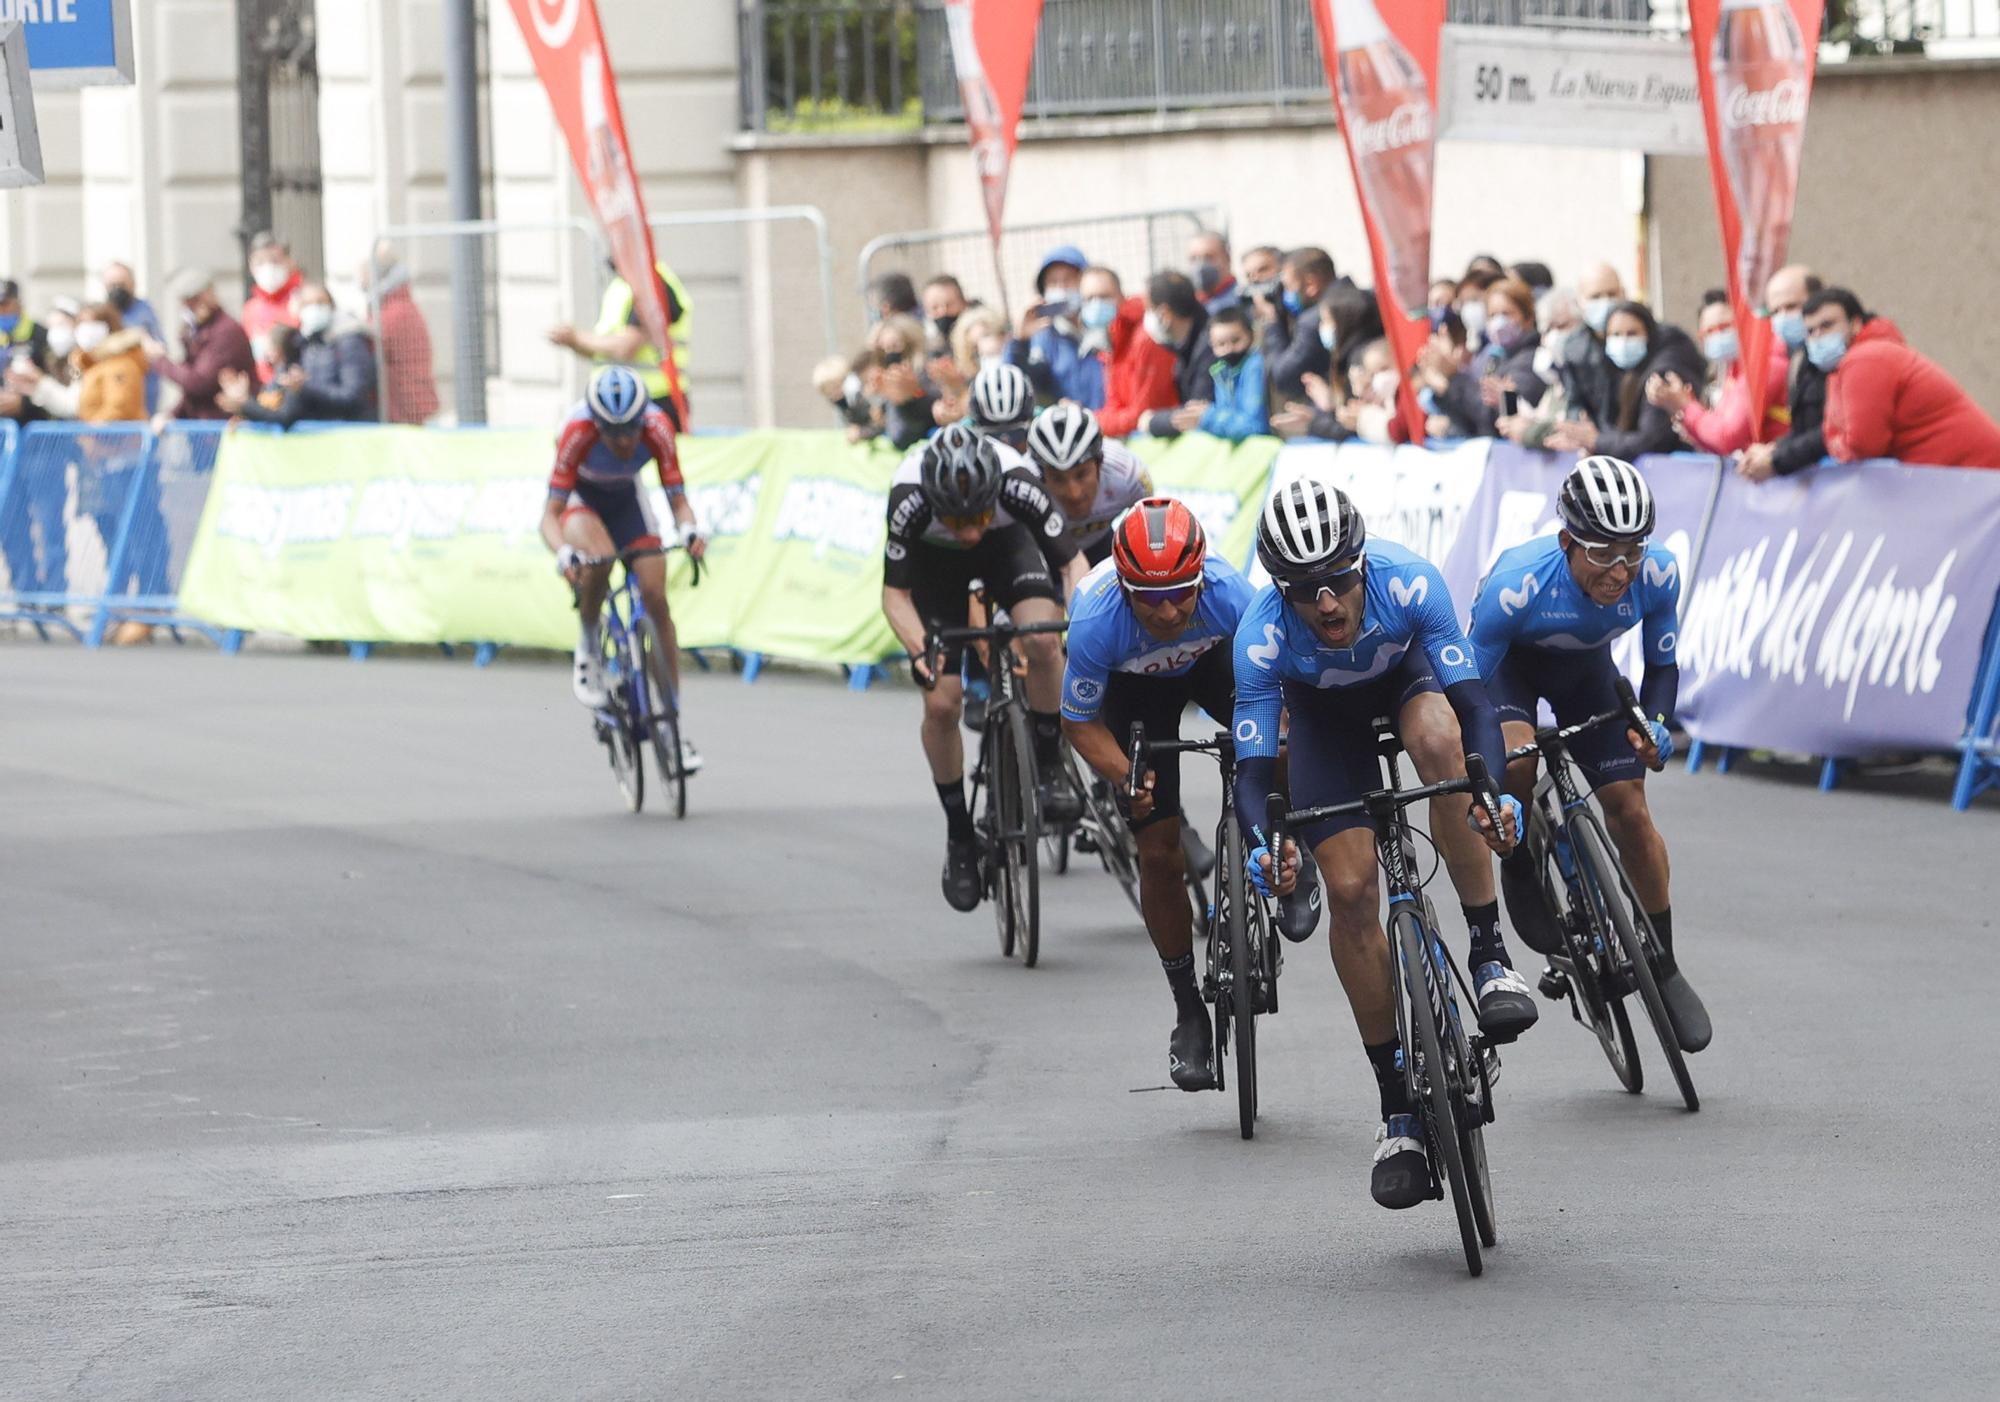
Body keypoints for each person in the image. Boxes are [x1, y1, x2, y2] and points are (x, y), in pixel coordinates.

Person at [1231, 479, 1531, 1210]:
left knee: (1440, 743)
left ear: (1361, 564)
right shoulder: (1261, 637)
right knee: (1353, 889)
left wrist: (1486, 790)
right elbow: (1252, 770)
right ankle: (1396, 1104)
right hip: (1321, 719)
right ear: (1280, 589)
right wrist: (1263, 844)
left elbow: (1474, 705)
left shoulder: (1411, 584)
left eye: (1338, 580)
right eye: (1305, 590)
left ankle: (1489, 953)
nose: (1327, 603)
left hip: (1407, 682)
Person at [1471, 456, 1711, 1053]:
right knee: (1519, 765)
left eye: (1631, 550)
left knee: (1629, 807)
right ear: (1566, 542)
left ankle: (1663, 959)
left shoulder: (1658, 576)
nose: (1620, 569)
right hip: (1511, 675)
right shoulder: (1514, 586)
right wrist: (1491, 776)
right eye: (1602, 552)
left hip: (1588, 673)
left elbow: (1662, 666)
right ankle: (1522, 862)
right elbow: (1471, 693)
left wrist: (1654, 725)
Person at [1061, 499, 1258, 1088]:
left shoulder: (1231, 596)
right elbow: (1079, 721)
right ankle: (1188, 1008)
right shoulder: (1096, 620)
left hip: (1211, 665)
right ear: (1123, 588)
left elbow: (1280, 685)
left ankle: (1283, 845)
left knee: (1283, 746)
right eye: (1148, 597)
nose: (1168, 610)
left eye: (1180, 592)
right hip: (1133, 692)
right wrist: (1126, 777)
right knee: (1157, 850)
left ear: (1201, 577)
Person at [879, 424, 1088, 910]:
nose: (971, 530)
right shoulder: (909, 496)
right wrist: (919, 652)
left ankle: (1048, 759)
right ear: (935, 501)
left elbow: (1071, 564)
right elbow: (896, 595)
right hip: (936, 566)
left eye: (978, 516)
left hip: (1008, 547)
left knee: (1041, 640)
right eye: (958, 520)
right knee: (942, 701)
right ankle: (959, 834)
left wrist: (1077, 622)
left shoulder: (1018, 482)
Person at [541, 366, 708, 768]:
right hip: (583, 500)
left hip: (626, 500)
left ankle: (671, 727)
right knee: (598, 558)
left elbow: (677, 498)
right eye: (612, 432)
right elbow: (550, 515)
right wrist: (564, 552)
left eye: (631, 429)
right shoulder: (577, 430)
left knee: (655, 595)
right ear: (596, 424)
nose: (624, 440)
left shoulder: (657, 426)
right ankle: (588, 642)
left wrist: (689, 529)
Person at [1807, 287, 2000, 469]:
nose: (1818, 336)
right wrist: (1838, 443)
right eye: (1810, 331)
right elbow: (1832, 433)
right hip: (1956, 479)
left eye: (1827, 325)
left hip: (1977, 478)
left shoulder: (1866, 358)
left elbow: (1864, 445)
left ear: (1856, 324)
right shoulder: (1842, 367)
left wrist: (1837, 445)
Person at [1546, 301, 1703, 461]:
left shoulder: (1660, 375)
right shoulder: (1618, 369)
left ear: (1649, 335)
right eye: (1615, 335)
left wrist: (1597, 441)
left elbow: (1651, 441)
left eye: (1632, 334)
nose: (1623, 342)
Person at [549, 259, 694, 427]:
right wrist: (574, 342)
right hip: (614, 400)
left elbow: (624, 348)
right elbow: (601, 351)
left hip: (653, 402)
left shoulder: (652, 282)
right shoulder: (621, 284)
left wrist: (576, 338)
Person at [1648, 291, 1789, 455]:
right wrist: (1687, 420)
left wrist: (1685, 405)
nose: (1718, 335)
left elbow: (1726, 438)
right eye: (1709, 332)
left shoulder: (1767, 364)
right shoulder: (1731, 371)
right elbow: (1719, 440)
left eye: (1725, 327)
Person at [1023, 403, 1153, 564]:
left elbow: (1150, 536)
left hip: (1100, 546)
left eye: (1081, 474)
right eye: (1058, 479)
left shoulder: (1128, 474)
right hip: (1044, 553)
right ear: (1041, 475)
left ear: (1099, 464)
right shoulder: (1025, 484)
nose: (1074, 493)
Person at [1737, 264, 1827, 482]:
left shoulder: (1840, 355)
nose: (1783, 317)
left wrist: (1777, 460)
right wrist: (1773, 450)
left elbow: (1837, 431)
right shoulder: (1799, 359)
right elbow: (1806, 429)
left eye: (1791, 307)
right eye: (1775, 311)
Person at [1437, 276, 1544, 438]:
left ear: (1528, 318)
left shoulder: (1532, 360)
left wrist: (1452, 379)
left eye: (1506, 314)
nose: (1498, 322)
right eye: (1492, 315)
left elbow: (1490, 415)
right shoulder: (1495, 358)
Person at [152, 269, 257, 425]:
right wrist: (172, 415)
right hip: (205, 428)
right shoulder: (197, 332)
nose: (187, 307)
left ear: (209, 294)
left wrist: (160, 360)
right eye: (185, 301)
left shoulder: (226, 332)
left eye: (193, 300)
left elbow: (199, 382)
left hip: (224, 427)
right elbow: (193, 390)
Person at [1085, 266, 1179, 436]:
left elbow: (1144, 413)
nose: (1096, 304)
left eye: (1104, 296)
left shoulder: (1145, 337)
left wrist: (1089, 422)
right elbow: (1115, 405)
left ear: (1121, 296)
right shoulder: (1113, 341)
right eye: (1089, 298)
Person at [361, 241, 439, 425]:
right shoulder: (399, 307)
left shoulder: (393, 313)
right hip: (408, 402)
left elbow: (370, 346)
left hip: (404, 406)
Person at [1007, 245, 1091, 405]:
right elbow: (1013, 383)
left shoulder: (1104, 329)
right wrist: (1019, 342)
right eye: (1053, 282)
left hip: (1109, 422)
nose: (1061, 287)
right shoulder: (1041, 336)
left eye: (1068, 279)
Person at [1145, 272, 1214, 440]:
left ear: (1165, 313)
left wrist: (1153, 422)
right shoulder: (1182, 345)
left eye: (1149, 309)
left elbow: (1195, 413)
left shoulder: (1209, 346)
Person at [1268, 247, 1340, 399]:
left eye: (1288, 287)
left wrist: (1273, 321)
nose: (1285, 295)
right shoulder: (1356, 297)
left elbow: (1283, 376)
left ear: (1310, 284)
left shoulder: (1312, 320)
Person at [861, 313, 937, 450]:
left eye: (895, 346)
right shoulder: (883, 380)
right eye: (884, 349)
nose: (890, 353)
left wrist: (910, 396)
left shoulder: (930, 371)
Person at [1195, 305, 1268, 442]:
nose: (1229, 349)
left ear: (1251, 335)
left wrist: (1207, 416)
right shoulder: (1221, 371)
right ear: (1212, 345)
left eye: (1236, 341)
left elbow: (1255, 425)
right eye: (1221, 344)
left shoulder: (1255, 366)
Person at [99, 261, 164, 414]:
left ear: (133, 285)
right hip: (108, 398)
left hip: (141, 397)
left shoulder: (144, 314)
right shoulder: (102, 313)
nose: (117, 289)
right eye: (112, 285)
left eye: (121, 284)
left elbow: (157, 350)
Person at [242, 232, 303, 382]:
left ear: (289, 261)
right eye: (260, 262)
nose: (268, 268)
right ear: (251, 266)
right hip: (263, 393)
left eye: (275, 261)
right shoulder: (250, 309)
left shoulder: (303, 300)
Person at [1187, 230, 1241, 312]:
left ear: (1227, 259)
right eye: (1193, 258)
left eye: (1208, 257)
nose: (1200, 265)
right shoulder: (1189, 304)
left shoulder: (1241, 299)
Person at [921, 274, 971, 358]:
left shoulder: (980, 338)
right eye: (935, 307)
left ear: (964, 304)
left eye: (949, 304)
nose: (943, 312)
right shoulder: (928, 349)